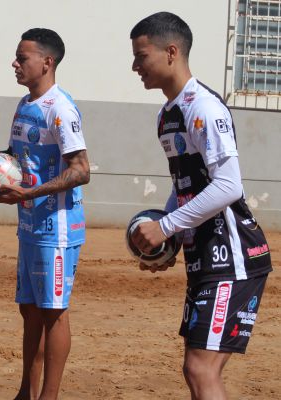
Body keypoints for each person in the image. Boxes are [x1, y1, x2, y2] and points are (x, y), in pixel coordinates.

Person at [129, 12, 273, 399]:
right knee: (197, 368)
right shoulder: (167, 116)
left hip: (234, 257)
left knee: (199, 367)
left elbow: (228, 187)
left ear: (171, 52)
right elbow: (186, 186)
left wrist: (167, 226)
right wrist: (167, 239)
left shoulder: (203, 108)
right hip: (206, 256)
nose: (135, 66)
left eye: (142, 56)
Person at [0, 28, 90, 399]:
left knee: (54, 313)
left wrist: (31, 192)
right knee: (30, 311)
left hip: (58, 229)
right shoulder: (25, 104)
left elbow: (81, 169)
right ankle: (26, 391)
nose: (15, 63)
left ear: (47, 62)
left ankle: (48, 396)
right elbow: (22, 159)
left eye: (23, 58)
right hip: (30, 225)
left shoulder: (61, 109)